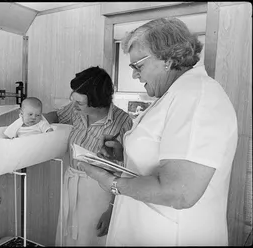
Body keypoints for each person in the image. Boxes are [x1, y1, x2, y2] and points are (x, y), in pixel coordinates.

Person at [78, 17, 238, 246]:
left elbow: (180, 192)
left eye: (137, 66)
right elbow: (163, 156)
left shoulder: (197, 96)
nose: (134, 75)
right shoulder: (175, 94)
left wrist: (111, 182)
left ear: (167, 58)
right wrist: (125, 157)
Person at [44, 66, 133, 246]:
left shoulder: (123, 123)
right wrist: (36, 119)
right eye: (73, 100)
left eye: (79, 103)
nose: (74, 105)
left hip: (101, 190)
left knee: (89, 239)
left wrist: (112, 210)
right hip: (71, 182)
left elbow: (127, 170)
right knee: (67, 236)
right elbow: (56, 115)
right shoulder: (75, 110)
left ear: (97, 101)